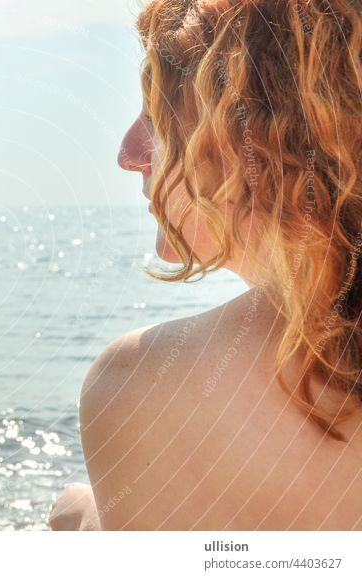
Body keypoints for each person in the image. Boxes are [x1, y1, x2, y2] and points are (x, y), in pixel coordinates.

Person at [49, 0, 362, 530]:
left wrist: (87, 522)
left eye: (158, 111)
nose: (128, 152)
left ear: (262, 135)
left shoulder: (137, 384)